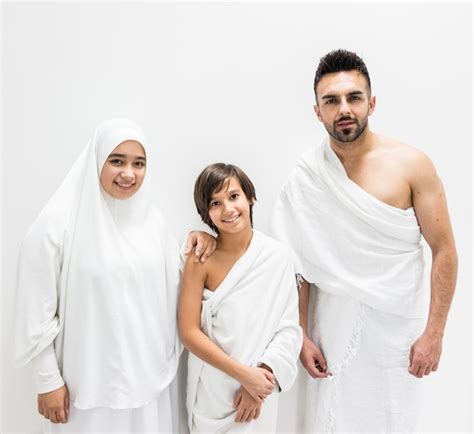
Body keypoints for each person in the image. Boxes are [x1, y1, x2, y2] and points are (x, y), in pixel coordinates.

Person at [271, 49, 458, 432]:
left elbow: (445, 250)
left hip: (395, 331)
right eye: (331, 100)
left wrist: (434, 333)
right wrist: (302, 335)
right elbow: (299, 266)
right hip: (330, 330)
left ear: (371, 103)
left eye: (354, 97)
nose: (344, 108)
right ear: (317, 110)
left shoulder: (412, 165)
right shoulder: (307, 177)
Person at [13, 119, 214, 433]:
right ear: (96, 161)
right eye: (116, 161)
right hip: (86, 392)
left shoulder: (152, 224)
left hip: (148, 389)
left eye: (139, 163)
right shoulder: (57, 227)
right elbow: (35, 309)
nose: (128, 173)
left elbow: (174, 284)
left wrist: (197, 240)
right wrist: (46, 379)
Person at [179, 163, 302, 433]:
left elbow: (289, 329)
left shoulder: (278, 258)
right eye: (215, 203)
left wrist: (260, 383)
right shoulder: (200, 259)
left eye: (234, 197)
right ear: (206, 213)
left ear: (250, 197)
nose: (228, 210)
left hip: (259, 390)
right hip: (212, 392)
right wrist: (244, 376)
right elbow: (188, 332)